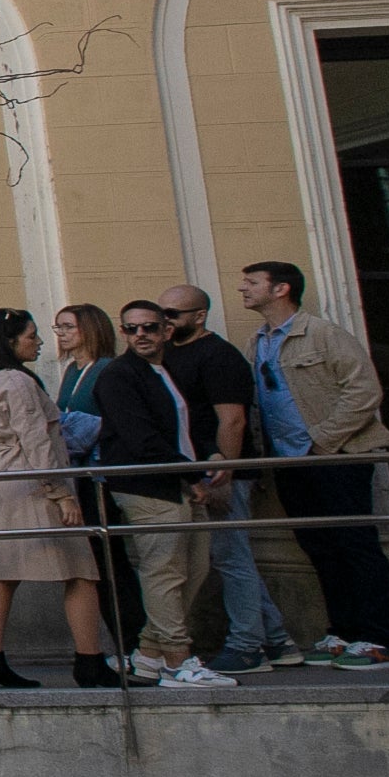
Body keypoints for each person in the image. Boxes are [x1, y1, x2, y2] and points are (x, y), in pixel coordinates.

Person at [242, 261, 389, 671]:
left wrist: (322, 440)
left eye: (252, 282)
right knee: (320, 547)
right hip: (288, 461)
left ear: (281, 289)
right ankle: (345, 633)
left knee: (355, 545)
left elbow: (364, 390)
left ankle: (380, 641)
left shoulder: (322, 333)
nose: (244, 289)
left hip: (336, 457)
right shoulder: (257, 342)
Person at [0, 310, 129, 690]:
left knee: (2, 576)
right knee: (82, 572)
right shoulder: (17, 381)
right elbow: (36, 440)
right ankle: (89, 661)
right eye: (31, 335)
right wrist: (61, 493)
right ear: (9, 342)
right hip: (30, 485)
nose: (39, 342)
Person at [92, 301, 234, 688]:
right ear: (123, 333)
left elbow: (189, 425)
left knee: (194, 570)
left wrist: (211, 454)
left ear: (166, 331)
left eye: (149, 327)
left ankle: (151, 654)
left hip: (181, 483)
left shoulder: (169, 370)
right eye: (131, 328)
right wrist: (193, 476)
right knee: (165, 573)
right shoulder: (119, 375)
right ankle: (177, 660)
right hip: (149, 487)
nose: (140, 334)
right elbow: (142, 440)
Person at [158, 282, 298, 674]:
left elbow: (232, 421)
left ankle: (248, 646)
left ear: (199, 316)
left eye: (173, 314)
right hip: (198, 469)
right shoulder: (169, 353)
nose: (163, 321)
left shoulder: (218, 356)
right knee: (229, 555)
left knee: (231, 557)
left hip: (222, 470)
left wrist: (224, 474)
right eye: (160, 312)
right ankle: (278, 640)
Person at [53, 302, 149, 655]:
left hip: (100, 476)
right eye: (58, 327)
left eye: (68, 327)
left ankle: (135, 643)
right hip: (79, 474)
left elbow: (100, 423)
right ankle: (126, 643)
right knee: (97, 561)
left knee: (111, 561)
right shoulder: (71, 371)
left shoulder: (107, 369)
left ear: (90, 329)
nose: (61, 334)